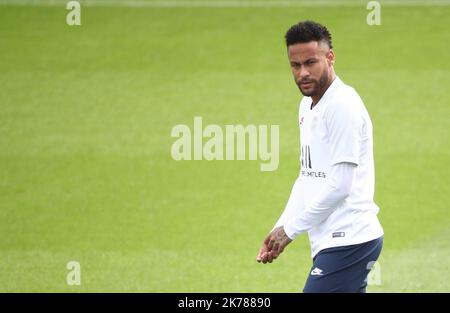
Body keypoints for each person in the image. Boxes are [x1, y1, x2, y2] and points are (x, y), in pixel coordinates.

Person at [256, 20, 384, 293]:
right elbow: (307, 177)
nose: (303, 73)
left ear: (330, 57)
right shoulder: (307, 105)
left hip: (350, 239)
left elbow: (340, 186)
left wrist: (290, 231)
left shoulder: (342, 106)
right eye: (295, 65)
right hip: (331, 240)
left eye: (311, 62)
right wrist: (279, 228)